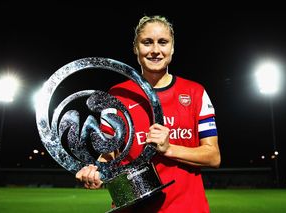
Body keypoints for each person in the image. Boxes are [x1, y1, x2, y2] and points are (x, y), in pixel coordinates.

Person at [76, 15, 221, 212]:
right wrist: (96, 173)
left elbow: (213, 156)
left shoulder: (195, 92)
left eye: (163, 42)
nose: (155, 50)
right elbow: (109, 155)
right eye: (147, 42)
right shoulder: (117, 95)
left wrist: (169, 149)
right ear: (136, 47)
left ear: (172, 47)